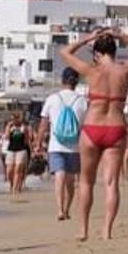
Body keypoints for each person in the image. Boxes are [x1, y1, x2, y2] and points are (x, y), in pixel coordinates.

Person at [59, 28, 128, 241]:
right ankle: (107, 230)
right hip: (115, 128)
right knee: (111, 183)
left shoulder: (91, 71)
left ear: (96, 53)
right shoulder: (124, 71)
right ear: (115, 51)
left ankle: (83, 230)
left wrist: (88, 38)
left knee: (86, 182)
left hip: (92, 128)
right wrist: (120, 35)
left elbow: (65, 52)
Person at [36, 67, 88, 221]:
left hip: (55, 145)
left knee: (59, 176)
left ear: (62, 80)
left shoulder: (52, 99)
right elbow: (86, 126)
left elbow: (43, 124)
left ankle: (59, 209)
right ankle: (66, 209)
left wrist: (38, 142)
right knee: (70, 180)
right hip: (75, 146)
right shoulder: (82, 101)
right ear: (76, 82)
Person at [2, 112, 32, 197]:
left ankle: (15, 188)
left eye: (16, 118)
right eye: (13, 119)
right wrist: (8, 127)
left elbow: (26, 140)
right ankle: (11, 184)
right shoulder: (10, 127)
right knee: (9, 170)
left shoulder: (24, 127)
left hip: (21, 150)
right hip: (11, 150)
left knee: (18, 169)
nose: (14, 120)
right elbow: (7, 137)